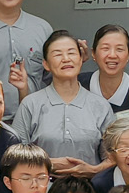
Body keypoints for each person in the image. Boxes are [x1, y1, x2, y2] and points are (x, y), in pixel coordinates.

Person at [15, 31, 115, 174]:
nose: (66, 59)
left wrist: (93, 170)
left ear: (81, 59)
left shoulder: (100, 106)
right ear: (46, 64)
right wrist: (45, 163)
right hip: (41, 191)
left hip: (88, 190)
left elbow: (113, 158)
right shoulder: (31, 104)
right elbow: (14, 155)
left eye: (71, 53)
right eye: (57, 54)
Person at [83, 24, 129, 120]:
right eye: (105, 48)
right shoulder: (78, 85)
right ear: (93, 53)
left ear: (128, 55)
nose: (112, 55)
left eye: (119, 49)